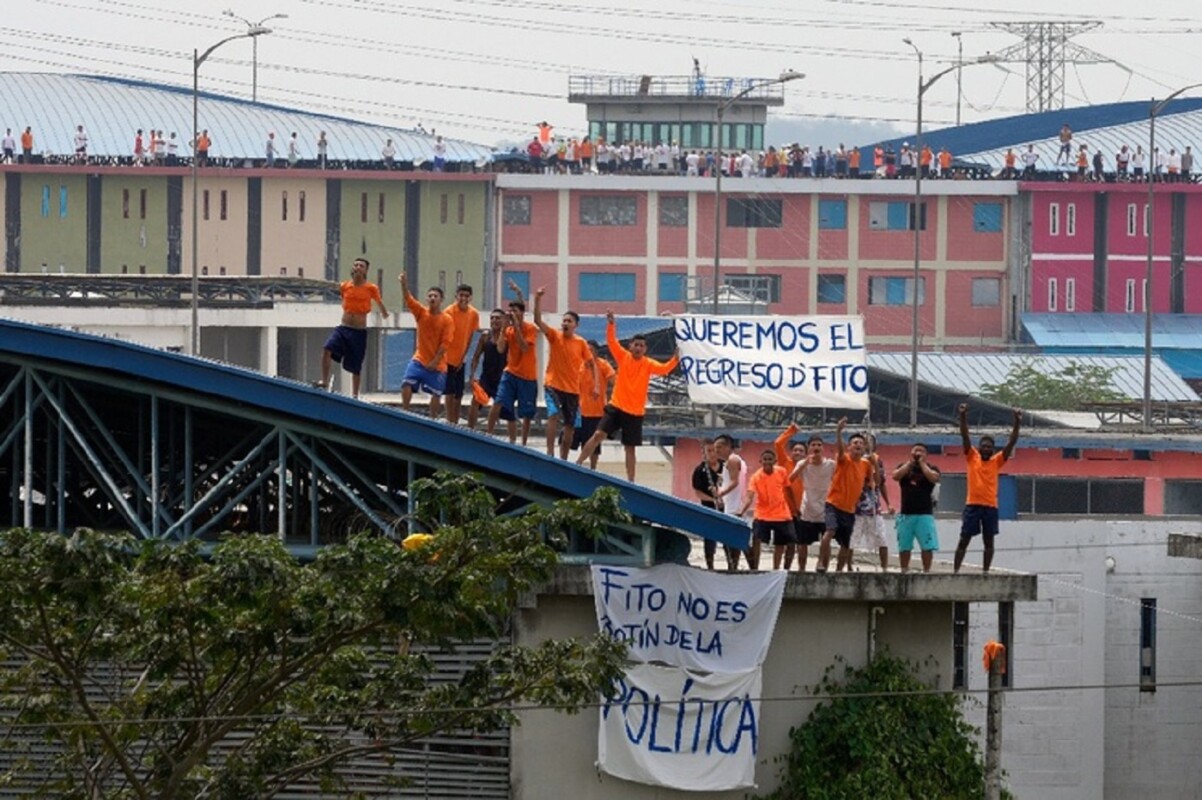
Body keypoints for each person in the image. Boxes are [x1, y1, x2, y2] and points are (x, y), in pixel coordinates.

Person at [575, 312, 679, 482]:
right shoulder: (623, 357)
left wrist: (675, 358)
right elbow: (612, 341)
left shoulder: (648, 363)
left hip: (635, 412)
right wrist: (611, 324)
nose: (638, 348)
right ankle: (578, 463)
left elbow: (665, 369)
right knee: (597, 435)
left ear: (645, 349)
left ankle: (631, 481)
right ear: (630, 346)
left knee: (630, 448)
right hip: (616, 406)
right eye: (636, 344)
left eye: (641, 346)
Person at [953, 404, 1022, 573]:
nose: (986, 449)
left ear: (993, 449)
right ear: (979, 447)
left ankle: (985, 571)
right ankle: (955, 571)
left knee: (989, 541)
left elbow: (1012, 441)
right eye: (984, 446)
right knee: (964, 539)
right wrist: (962, 416)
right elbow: (964, 435)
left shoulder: (997, 460)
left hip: (990, 506)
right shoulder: (972, 457)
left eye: (989, 447)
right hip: (973, 504)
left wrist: (1017, 422)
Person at [533, 287, 594, 460]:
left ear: (576, 325)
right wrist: (537, 299)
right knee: (552, 414)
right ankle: (550, 452)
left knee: (570, 425)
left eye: (569, 321)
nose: (565, 323)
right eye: (564, 320)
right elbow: (537, 320)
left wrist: (595, 385)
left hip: (572, 390)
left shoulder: (581, 343)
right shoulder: (554, 336)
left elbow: (591, 364)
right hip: (553, 384)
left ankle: (563, 458)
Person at [316, 258, 389, 399]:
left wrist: (385, 313)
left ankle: (355, 394)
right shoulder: (345, 286)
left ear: (366, 270)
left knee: (356, 365)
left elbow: (379, 301)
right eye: (355, 265)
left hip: (358, 331)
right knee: (327, 348)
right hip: (344, 327)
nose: (358, 267)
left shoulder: (371, 288)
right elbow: (344, 297)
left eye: (361, 266)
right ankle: (324, 381)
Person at [816, 418, 873, 573]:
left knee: (847, 543)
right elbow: (840, 450)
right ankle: (822, 563)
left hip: (849, 509)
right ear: (849, 447)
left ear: (864, 448)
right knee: (830, 531)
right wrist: (839, 431)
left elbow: (872, 483)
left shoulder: (866, 464)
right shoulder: (844, 459)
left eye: (860, 443)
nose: (858, 445)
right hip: (833, 503)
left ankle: (839, 571)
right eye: (855, 443)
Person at [486, 287, 538, 446]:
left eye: (515, 311)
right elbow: (500, 348)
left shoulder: (530, 328)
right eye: (510, 312)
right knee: (498, 402)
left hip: (528, 376)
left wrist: (517, 327)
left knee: (526, 413)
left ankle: (523, 442)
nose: (512, 314)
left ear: (522, 313)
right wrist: (503, 328)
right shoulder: (507, 330)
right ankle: (488, 435)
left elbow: (524, 347)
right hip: (510, 373)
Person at [399, 274, 453, 419]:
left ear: (441, 299)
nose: (432, 298)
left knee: (436, 393)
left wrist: (435, 361)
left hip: (438, 364)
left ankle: (432, 418)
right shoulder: (421, 313)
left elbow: (445, 343)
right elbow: (408, 299)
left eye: (435, 296)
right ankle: (404, 412)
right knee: (406, 383)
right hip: (420, 359)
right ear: (426, 299)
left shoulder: (447, 320)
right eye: (430, 296)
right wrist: (404, 284)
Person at [738, 450, 798, 571]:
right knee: (756, 538)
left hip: (782, 513)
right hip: (762, 513)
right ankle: (755, 568)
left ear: (774, 461)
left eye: (770, 459)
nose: (767, 462)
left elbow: (788, 490)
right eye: (765, 459)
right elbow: (749, 496)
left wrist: (794, 507)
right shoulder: (756, 477)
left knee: (787, 542)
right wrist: (742, 510)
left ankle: (781, 569)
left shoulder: (782, 472)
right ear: (761, 461)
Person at [788, 434, 836, 572]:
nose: (816, 447)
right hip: (807, 508)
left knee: (826, 541)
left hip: (826, 507)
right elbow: (789, 480)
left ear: (823, 448)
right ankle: (802, 570)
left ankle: (823, 566)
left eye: (819, 445)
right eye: (813, 445)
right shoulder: (802, 464)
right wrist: (803, 465)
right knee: (803, 543)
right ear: (809, 448)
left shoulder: (831, 464)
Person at [893, 443, 941, 573]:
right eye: (915, 451)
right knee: (904, 545)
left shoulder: (932, 468)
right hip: (906, 514)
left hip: (924, 514)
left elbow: (933, 477)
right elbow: (895, 476)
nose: (918, 453)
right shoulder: (904, 467)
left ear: (926, 455)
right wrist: (909, 464)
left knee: (927, 545)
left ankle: (926, 571)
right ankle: (904, 570)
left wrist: (922, 464)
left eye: (921, 451)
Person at [850, 435, 892, 572]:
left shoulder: (877, 460)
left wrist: (888, 503)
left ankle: (884, 567)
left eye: (868, 442)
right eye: (862, 442)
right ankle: (848, 566)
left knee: (881, 538)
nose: (864, 444)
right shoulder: (851, 459)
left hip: (873, 506)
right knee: (851, 539)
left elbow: (880, 483)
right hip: (854, 507)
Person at [441, 283, 479, 426]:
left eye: (466, 296)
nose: (463, 298)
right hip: (447, 358)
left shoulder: (473, 314)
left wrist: (463, 357)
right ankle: (449, 421)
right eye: (461, 295)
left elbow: (469, 336)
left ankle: (455, 422)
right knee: (449, 392)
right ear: (456, 296)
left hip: (460, 359)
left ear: (470, 298)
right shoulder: (449, 312)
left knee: (459, 393)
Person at [572, 340, 614, 469]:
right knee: (573, 439)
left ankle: (593, 468)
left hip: (597, 411)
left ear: (596, 351)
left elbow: (614, 381)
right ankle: (569, 464)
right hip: (580, 410)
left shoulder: (603, 365)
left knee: (595, 443)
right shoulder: (579, 365)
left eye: (591, 350)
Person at [467, 308, 509, 430]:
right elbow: (476, 357)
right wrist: (472, 375)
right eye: (492, 318)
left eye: (497, 318)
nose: (494, 320)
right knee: (475, 401)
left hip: (501, 378)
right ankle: (470, 430)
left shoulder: (508, 336)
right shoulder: (485, 336)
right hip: (486, 377)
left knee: (502, 408)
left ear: (503, 320)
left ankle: (491, 434)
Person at [713, 434, 749, 571]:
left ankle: (735, 565)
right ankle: (733, 565)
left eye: (719, 447)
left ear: (728, 446)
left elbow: (735, 482)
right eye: (715, 448)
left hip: (734, 506)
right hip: (732, 504)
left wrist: (720, 493)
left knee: (732, 539)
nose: (717, 451)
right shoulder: (731, 461)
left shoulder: (733, 460)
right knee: (735, 539)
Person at [691, 439, 726, 571]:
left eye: (714, 450)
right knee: (710, 538)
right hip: (709, 508)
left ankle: (731, 561)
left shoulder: (726, 467)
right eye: (709, 451)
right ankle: (710, 565)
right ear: (704, 453)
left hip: (726, 508)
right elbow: (698, 492)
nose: (712, 454)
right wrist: (712, 499)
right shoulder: (700, 470)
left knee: (728, 536)